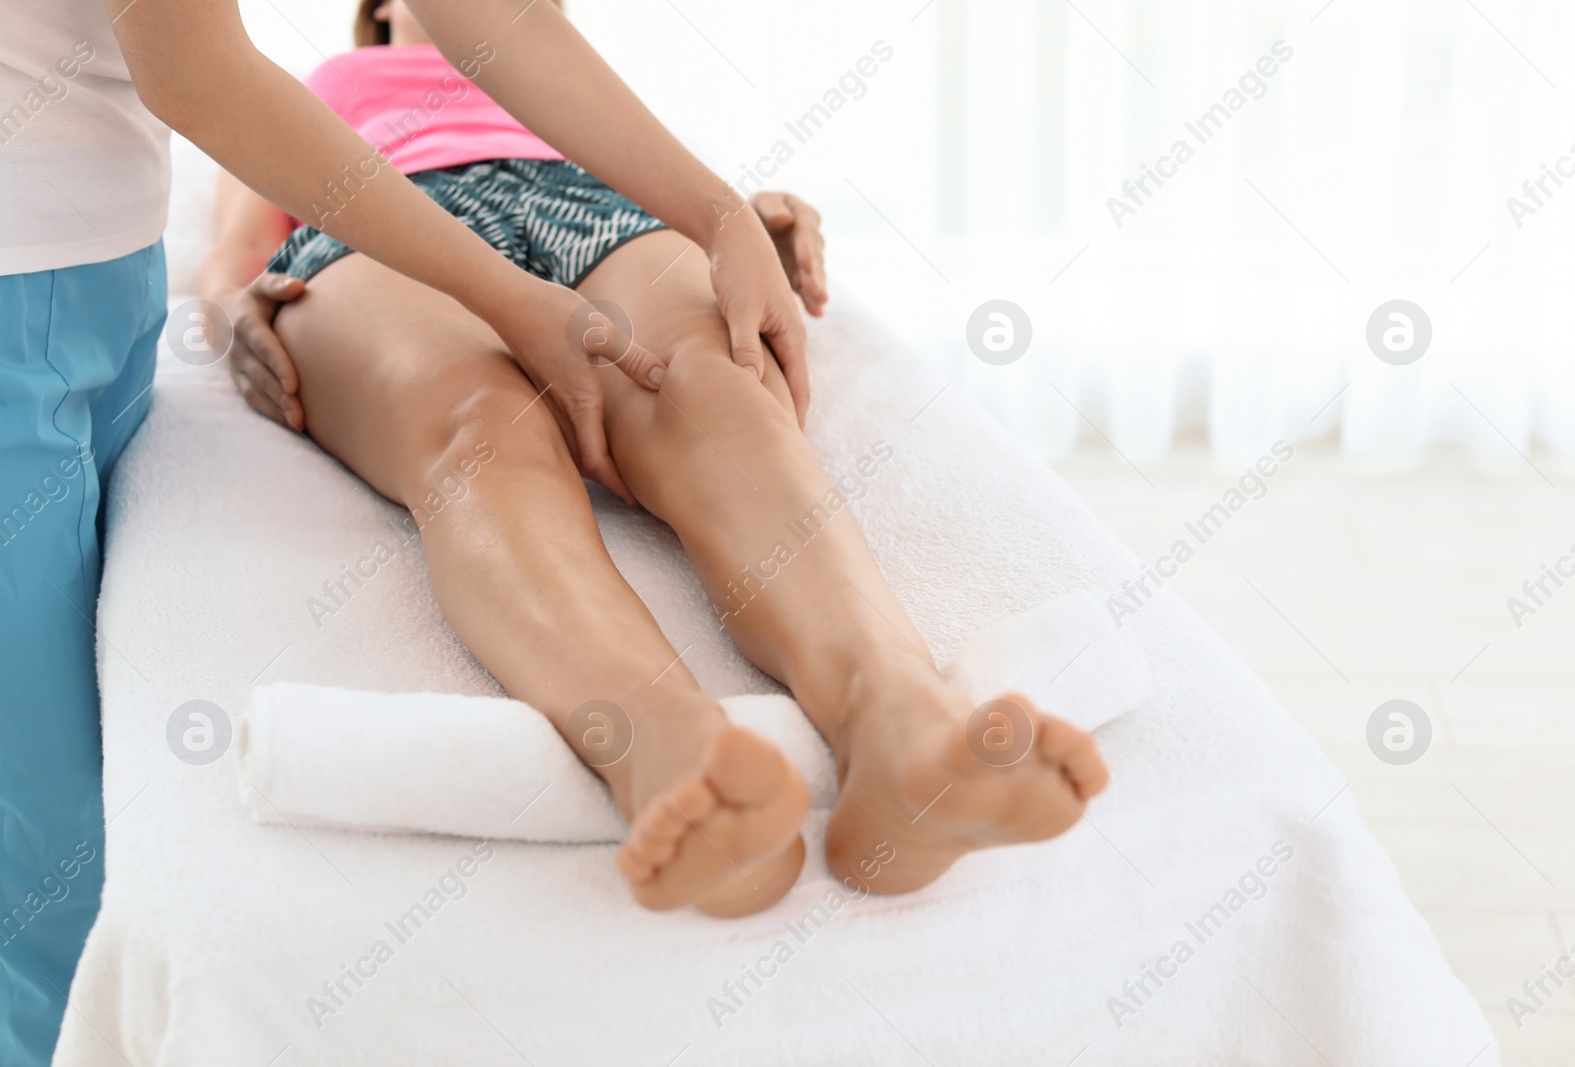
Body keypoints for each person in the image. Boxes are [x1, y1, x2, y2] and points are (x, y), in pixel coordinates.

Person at [2, 0, 808, 1060]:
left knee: (701, 391)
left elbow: (504, 22)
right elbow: (201, 80)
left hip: (101, 280)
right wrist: (496, 296)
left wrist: (723, 215)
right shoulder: (343, 89)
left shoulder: (532, 112)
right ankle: (661, 737)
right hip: (33, 284)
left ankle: (890, 704)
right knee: (45, 838)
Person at [203, 0, 1110, 925]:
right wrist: (227, 304)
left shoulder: (547, 75)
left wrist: (742, 216)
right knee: (480, 431)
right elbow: (233, 250)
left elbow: (637, 158)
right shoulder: (323, 86)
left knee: (710, 388)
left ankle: (900, 724)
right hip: (379, 222)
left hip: (583, 201)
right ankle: (668, 748)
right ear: (381, 11)